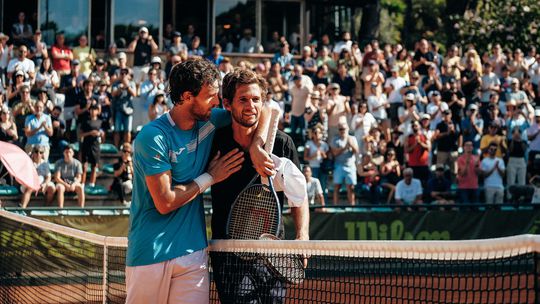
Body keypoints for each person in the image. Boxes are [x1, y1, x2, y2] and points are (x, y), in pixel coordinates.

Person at [125, 59, 272, 304]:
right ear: (186, 96)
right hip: (150, 253)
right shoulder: (152, 136)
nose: (217, 102)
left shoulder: (210, 119)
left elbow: (266, 110)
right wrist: (210, 177)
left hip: (193, 253)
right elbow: (165, 201)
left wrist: (257, 145)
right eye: (210, 96)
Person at [209, 68, 309, 304]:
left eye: (256, 100)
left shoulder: (283, 143)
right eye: (242, 99)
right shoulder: (214, 141)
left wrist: (302, 234)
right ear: (227, 104)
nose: (250, 106)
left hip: (272, 250)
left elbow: (299, 195)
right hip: (229, 251)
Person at [331, 121, 359, 205]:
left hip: (350, 166)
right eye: (340, 129)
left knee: (351, 188)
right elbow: (334, 153)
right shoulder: (335, 139)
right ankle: (335, 206)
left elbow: (357, 151)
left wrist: (351, 145)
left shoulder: (352, 138)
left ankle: (352, 207)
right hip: (338, 166)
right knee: (337, 187)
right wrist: (345, 147)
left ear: (347, 129)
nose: (342, 131)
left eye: (344, 129)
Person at [79, 105, 103, 187]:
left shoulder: (100, 122)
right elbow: (80, 135)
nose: (93, 112)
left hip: (95, 146)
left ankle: (92, 184)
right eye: (92, 110)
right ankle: (82, 183)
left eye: (95, 110)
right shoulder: (85, 121)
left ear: (97, 111)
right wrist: (90, 133)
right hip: (86, 145)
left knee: (94, 166)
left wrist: (100, 134)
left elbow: (103, 135)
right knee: (84, 166)